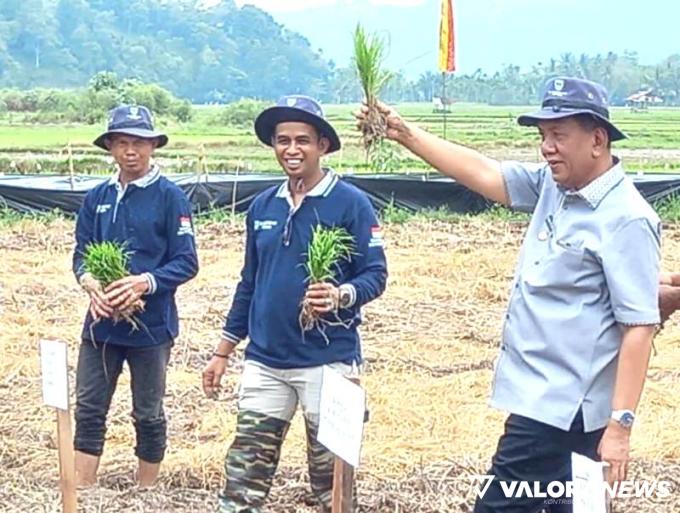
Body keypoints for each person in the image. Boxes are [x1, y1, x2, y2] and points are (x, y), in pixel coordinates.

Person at [357, 77, 660, 512]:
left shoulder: (626, 219)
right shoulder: (554, 187)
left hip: (561, 406)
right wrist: (405, 134)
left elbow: (638, 329)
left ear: (597, 139)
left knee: (500, 505)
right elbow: (484, 172)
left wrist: (621, 428)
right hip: (543, 397)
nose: (546, 147)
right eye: (542, 136)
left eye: (558, 135)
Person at [202, 95, 388, 513]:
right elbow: (250, 282)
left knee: (332, 484)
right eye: (282, 140)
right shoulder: (264, 206)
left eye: (302, 140)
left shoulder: (351, 204)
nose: (291, 149)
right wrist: (223, 351)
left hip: (328, 362)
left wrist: (340, 295)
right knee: (243, 477)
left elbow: (375, 276)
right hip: (266, 361)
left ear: (323, 145)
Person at [72, 105, 199, 487]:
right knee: (90, 406)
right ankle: (83, 487)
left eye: (140, 143)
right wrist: (90, 282)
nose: (131, 151)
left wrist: (144, 283)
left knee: (147, 411)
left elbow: (186, 262)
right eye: (123, 142)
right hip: (101, 324)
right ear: (110, 147)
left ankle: (146, 490)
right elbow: (81, 253)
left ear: (153, 147)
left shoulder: (170, 197)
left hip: (151, 326)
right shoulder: (97, 197)